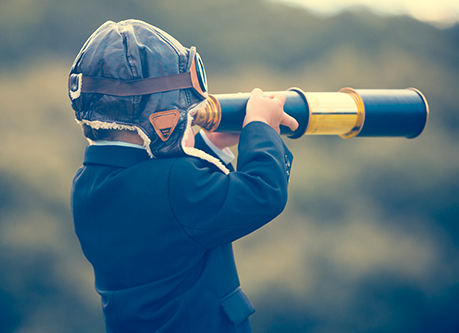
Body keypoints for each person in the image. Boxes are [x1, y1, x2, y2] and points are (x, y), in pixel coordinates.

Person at [69, 19, 298, 333]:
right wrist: (260, 126)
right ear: (159, 112)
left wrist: (210, 146)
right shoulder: (174, 184)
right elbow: (264, 192)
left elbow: (169, 208)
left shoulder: (87, 184)